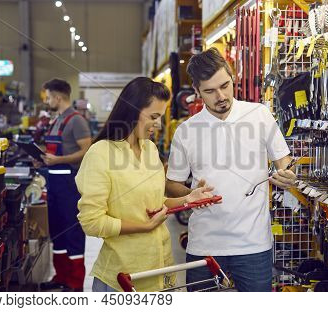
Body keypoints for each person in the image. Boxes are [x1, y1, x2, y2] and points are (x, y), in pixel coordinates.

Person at [165, 48, 297, 292]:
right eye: (210, 91)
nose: (221, 96)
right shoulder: (186, 131)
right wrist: (190, 196)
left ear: (232, 76)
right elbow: (172, 183)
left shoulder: (259, 115)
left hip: (253, 245)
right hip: (204, 245)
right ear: (196, 92)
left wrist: (287, 176)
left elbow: (285, 163)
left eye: (225, 85)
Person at [75, 77, 215, 292]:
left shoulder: (149, 149)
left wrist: (189, 199)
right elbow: (92, 222)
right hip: (122, 279)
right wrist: (144, 226)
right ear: (132, 111)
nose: (159, 124)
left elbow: (157, 201)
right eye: (154, 116)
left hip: (159, 271)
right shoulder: (100, 154)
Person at [39, 78, 92, 291]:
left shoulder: (76, 120)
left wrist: (58, 160)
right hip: (53, 185)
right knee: (58, 233)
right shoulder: (57, 119)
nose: (48, 101)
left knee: (72, 234)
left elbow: (87, 151)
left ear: (58, 97)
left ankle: (75, 282)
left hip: (70, 186)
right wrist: (41, 158)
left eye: (49, 97)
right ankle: (60, 276)